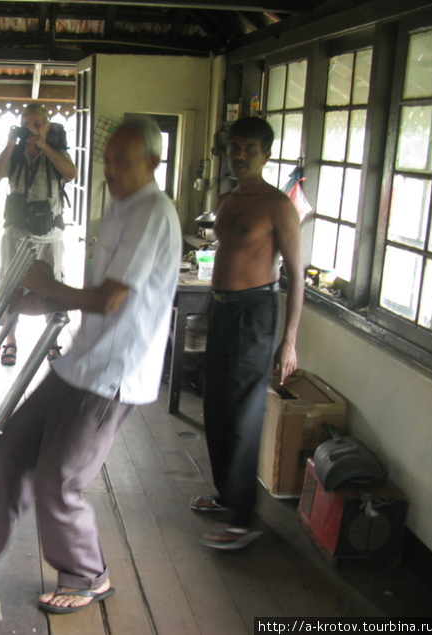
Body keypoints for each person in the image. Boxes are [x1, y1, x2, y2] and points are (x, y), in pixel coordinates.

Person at [0, 117, 182, 613]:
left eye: (123, 161)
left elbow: (111, 300)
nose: (110, 169)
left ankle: (88, 575)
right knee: (11, 452)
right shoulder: (118, 210)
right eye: (108, 159)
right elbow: (94, 294)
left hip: (115, 373)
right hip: (80, 363)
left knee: (58, 479)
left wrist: (48, 288)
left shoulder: (153, 213)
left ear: (153, 164)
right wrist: (38, 303)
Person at [190, 116, 304, 550]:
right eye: (234, 148)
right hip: (221, 309)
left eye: (249, 150)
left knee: (243, 410)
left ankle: (243, 518)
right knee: (215, 405)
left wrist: (289, 341)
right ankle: (226, 495)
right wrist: (204, 317)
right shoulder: (226, 199)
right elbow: (224, 260)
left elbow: (296, 276)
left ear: (266, 154)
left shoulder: (278, 205)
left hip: (256, 312)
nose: (239, 156)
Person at [0, 104, 77, 366]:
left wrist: (45, 145)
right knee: (10, 288)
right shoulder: (14, 154)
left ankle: (52, 342)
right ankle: (10, 341)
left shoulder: (56, 152)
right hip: (16, 235)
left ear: (47, 126)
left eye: (37, 124)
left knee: (55, 288)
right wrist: (11, 144)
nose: (31, 129)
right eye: (27, 124)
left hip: (50, 237)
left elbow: (71, 173)